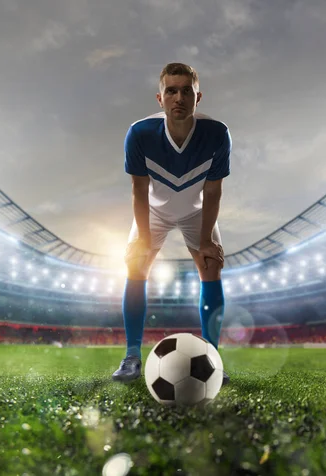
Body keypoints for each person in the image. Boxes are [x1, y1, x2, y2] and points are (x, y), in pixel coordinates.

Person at [112, 62, 231, 385]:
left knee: (211, 264)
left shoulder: (217, 133)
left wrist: (206, 239)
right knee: (136, 264)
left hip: (196, 211)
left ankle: (213, 359)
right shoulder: (140, 133)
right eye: (171, 91)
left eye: (186, 91)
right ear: (159, 98)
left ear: (198, 96)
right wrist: (144, 240)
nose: (178, 97)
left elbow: (213, 190)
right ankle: (132, 357)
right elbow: (139, 190)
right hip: (155, 210)